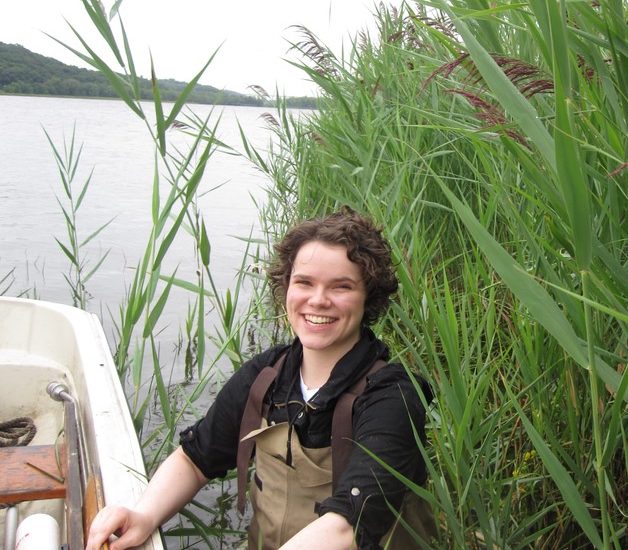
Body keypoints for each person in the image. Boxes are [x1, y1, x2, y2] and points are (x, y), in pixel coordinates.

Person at [85, 206, 433, 550]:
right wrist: (143, 515)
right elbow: (195, 460)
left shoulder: (393, 396)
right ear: (286, 288)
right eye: (304, 282)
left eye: (341, 287)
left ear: (368, 296)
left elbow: (348, 526)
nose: (318, 300)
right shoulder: (267, 375)